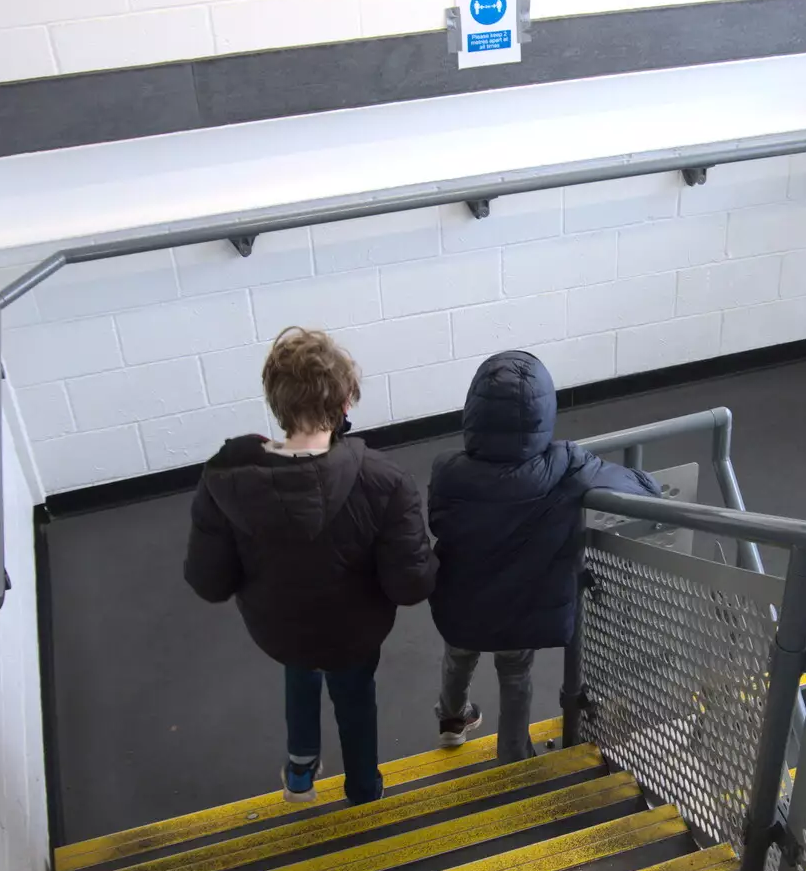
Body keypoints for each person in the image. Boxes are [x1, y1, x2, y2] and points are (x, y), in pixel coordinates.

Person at [183, 327, 436, 805]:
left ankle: (300, 772)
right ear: (345, 404)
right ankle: (364, 789)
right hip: (353, 634)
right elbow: (410, 585)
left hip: (280, 629)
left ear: (277, 405)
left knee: (299, 670)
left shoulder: (227, 479)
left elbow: (209, 581)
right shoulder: (385, 482)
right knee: (355, 699)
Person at [427, 350, 660, 763]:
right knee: (515, 673)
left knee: (458, 654)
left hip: (461, 605)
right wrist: (649, 484)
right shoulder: (565, 464)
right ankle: (513, 756)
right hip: (521, 609)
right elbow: (637, 489)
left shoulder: (446, 470)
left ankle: (451, 719)